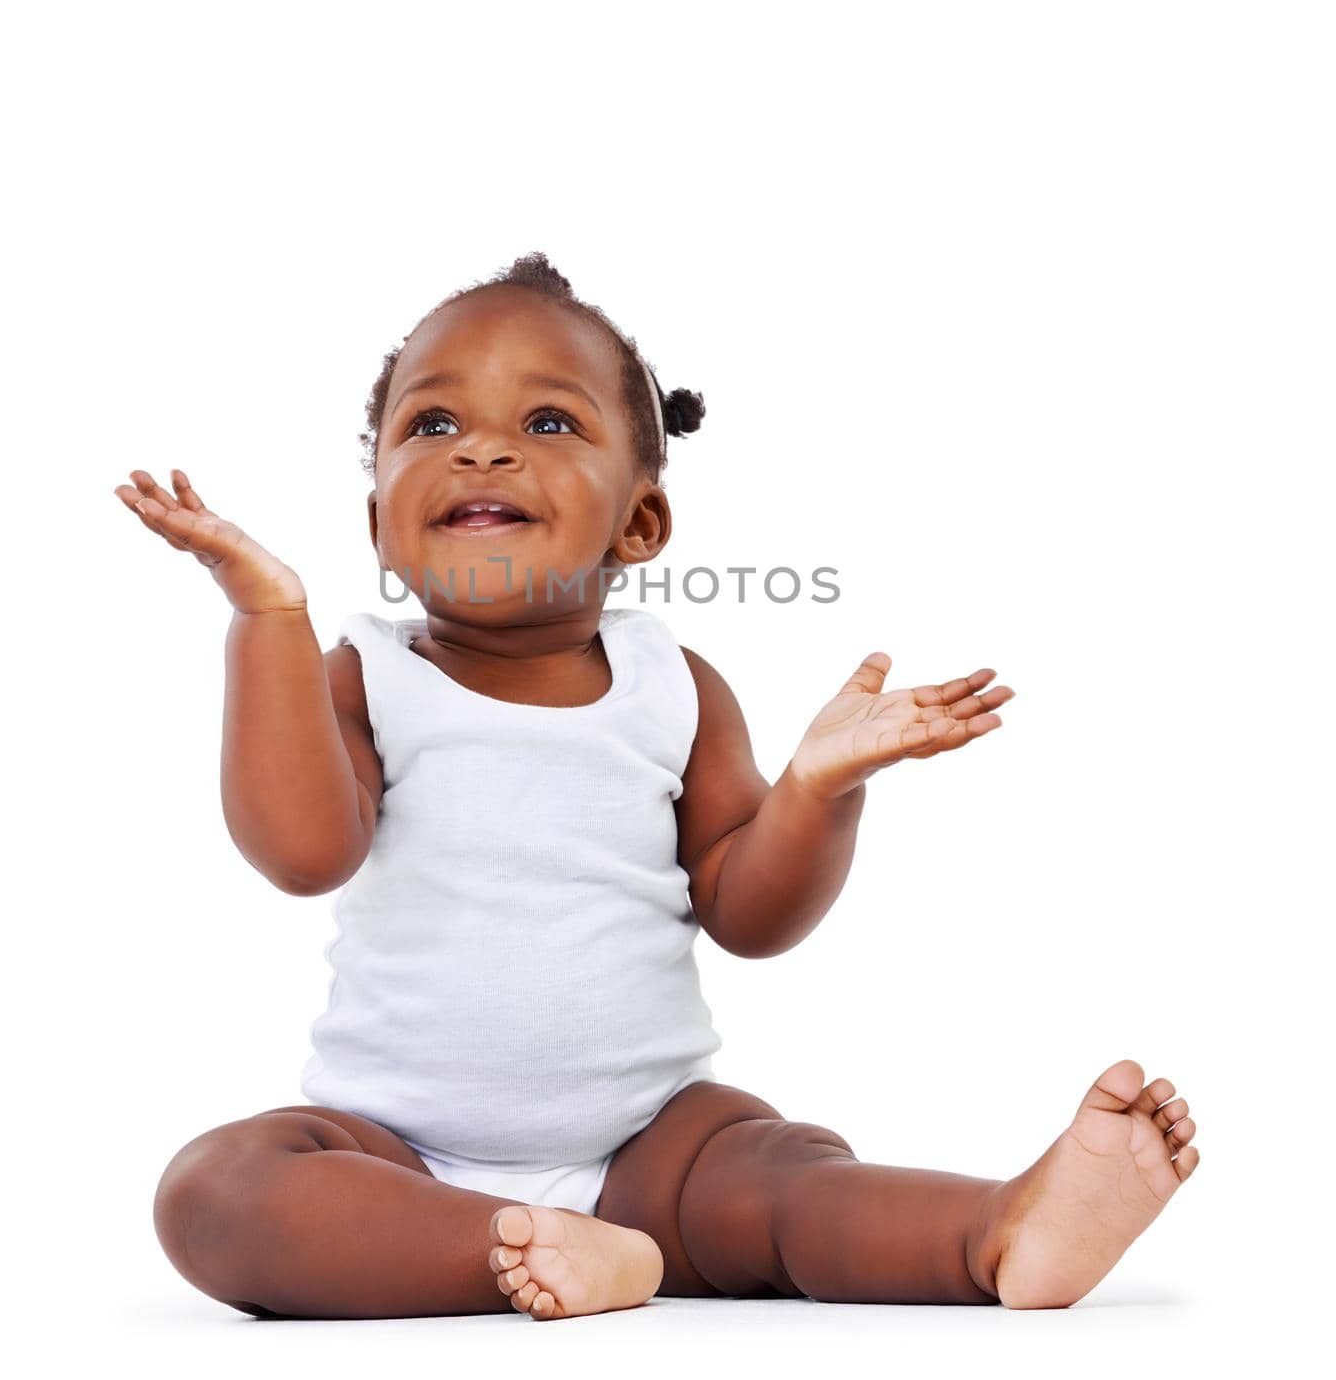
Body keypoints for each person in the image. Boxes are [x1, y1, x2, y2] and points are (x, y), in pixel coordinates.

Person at [119, 252, 1199, 1321]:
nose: (480, 450)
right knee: (217, 1192)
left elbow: (750, 914)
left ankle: (996, 1230)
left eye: (546, 425)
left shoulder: (672, 687)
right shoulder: (364, 677)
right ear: (378, 524)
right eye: (430, 426)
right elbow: (302, 851)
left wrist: (815, 790)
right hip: (393, 1156)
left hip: (649, 1152)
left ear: (638, 523)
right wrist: (266, 620)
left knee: (775, 1174)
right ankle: (514, 1249)